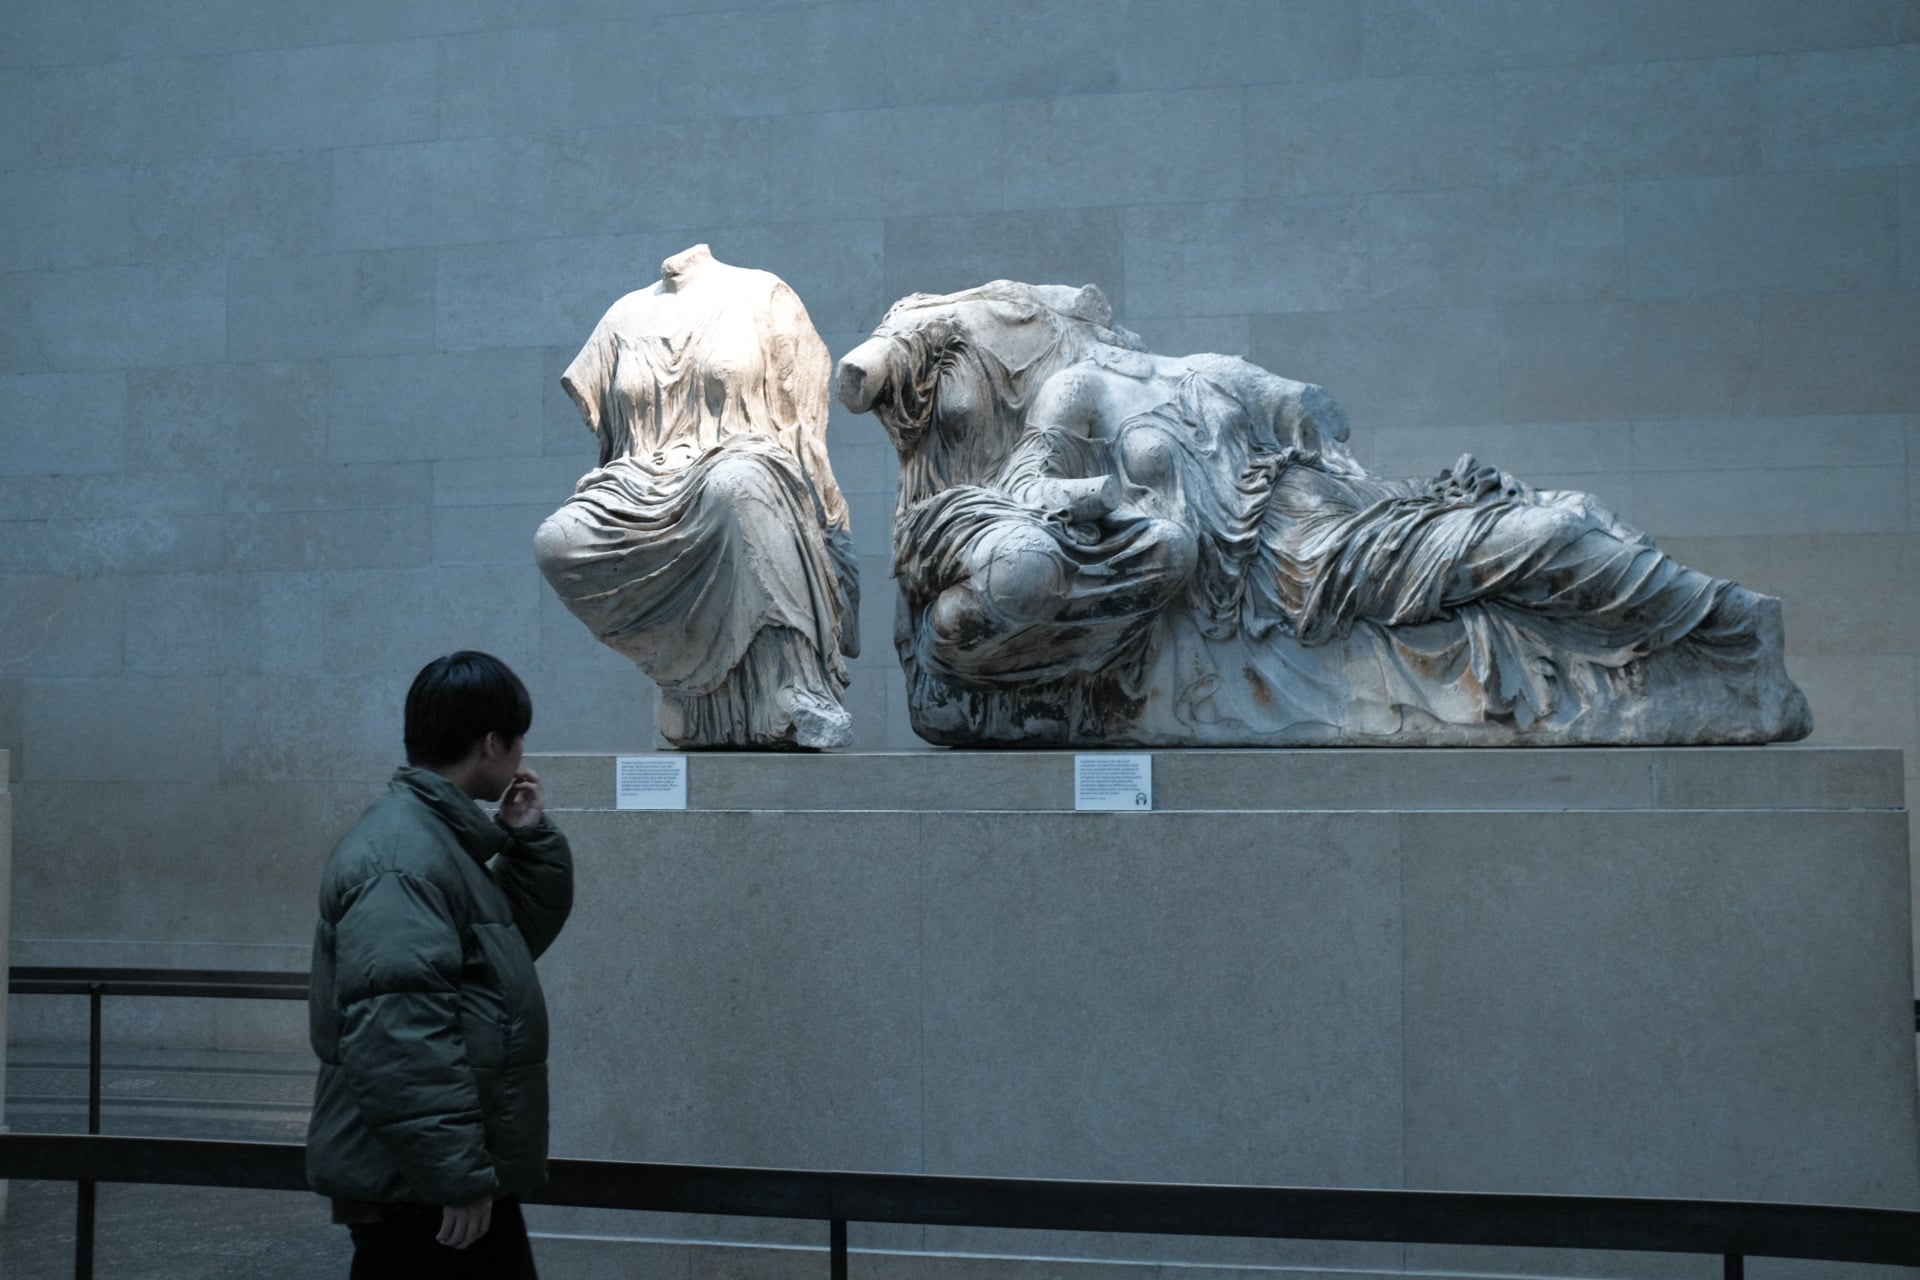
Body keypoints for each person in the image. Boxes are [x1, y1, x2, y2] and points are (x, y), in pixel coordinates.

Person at [307, 651, 574, 1279]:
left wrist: (529, 841)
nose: (519, 756)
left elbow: (499, 948)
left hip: (436, 1172)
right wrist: (454, 1175)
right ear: (490, 743)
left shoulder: (433, 842)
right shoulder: (403, 857)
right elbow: (398, 1033)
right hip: (420, 1187)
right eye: (518, 740)